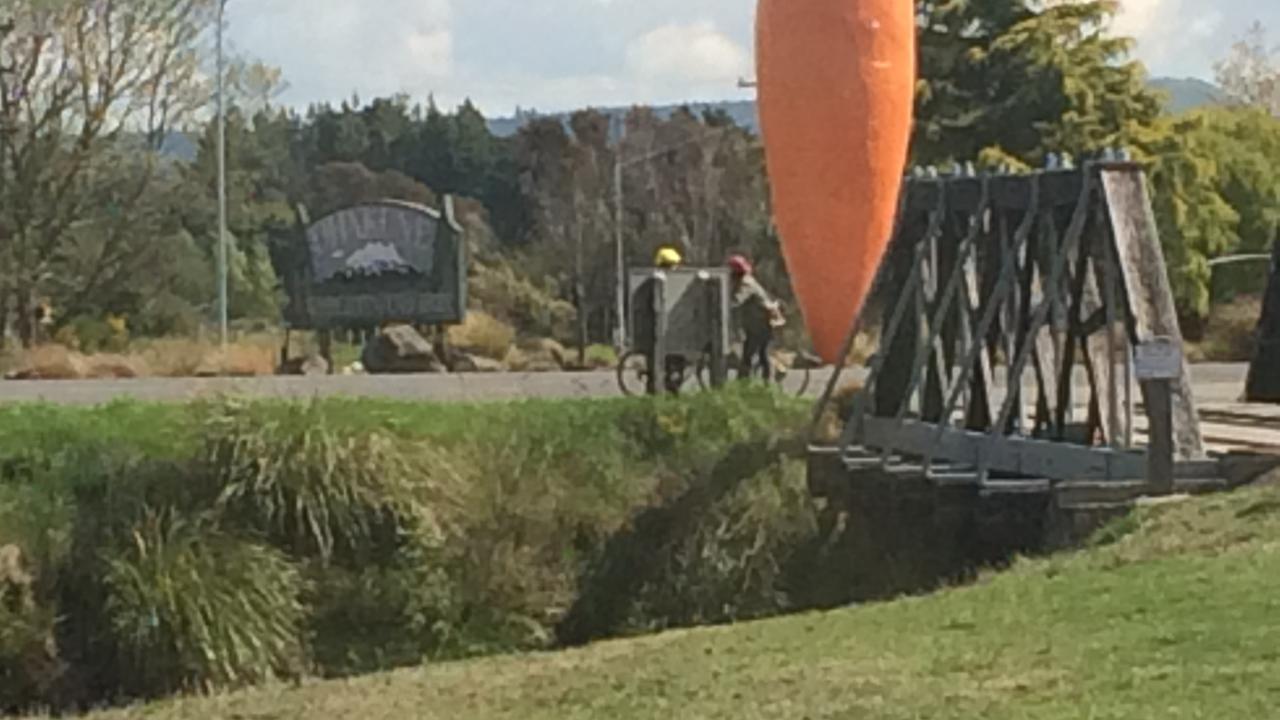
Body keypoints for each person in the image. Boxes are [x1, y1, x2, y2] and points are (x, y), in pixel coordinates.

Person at [727, 254, 781, 380]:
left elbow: (737, 300)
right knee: (761, 354)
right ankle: (765, 382)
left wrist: (723, 304)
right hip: (758, 323)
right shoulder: (746, 280)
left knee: (750, 354)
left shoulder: (746, 284)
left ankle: (744, 382)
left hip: (760, 324)